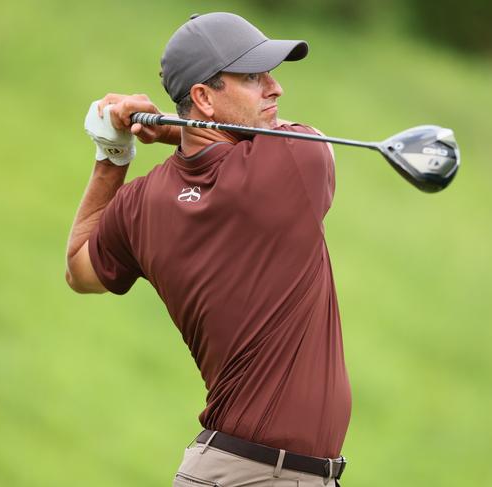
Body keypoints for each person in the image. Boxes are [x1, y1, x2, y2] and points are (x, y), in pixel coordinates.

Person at [66, 12, 351, 487]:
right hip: (262, 474)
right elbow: (314, 142)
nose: (275, 88)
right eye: (253, 77)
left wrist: (112, 154)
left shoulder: (142, 202)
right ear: (202, 97)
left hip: (227, 470)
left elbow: (79, 269)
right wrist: (177, 131)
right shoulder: (295, 162)